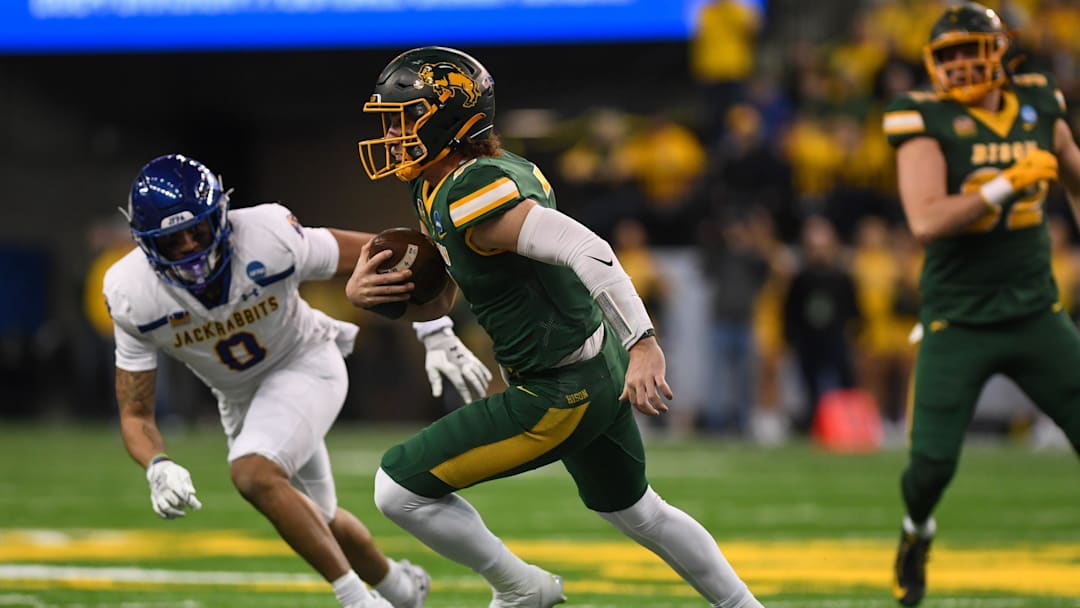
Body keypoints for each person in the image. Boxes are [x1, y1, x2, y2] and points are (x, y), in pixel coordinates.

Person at [346, 46, 763, 608]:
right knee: (639, 511)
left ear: (449, 119)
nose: (394, 134)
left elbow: (586, 248)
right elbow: (448, 284)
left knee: (397, 489)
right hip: (593, 364)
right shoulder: (444, 180)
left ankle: (522, 588)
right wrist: (395, 308)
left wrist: (644, 342)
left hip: (559, 388)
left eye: (406, 118)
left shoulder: (472, 192)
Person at [105, 154, 494, 608]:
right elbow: (135, 413)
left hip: (305, 362)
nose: (191, 247)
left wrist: (434, 327)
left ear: (221, 216)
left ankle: (358, 602)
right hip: (240, 398)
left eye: (200, 230)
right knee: (320, 520)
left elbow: (386, 253)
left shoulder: (267, 236)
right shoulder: (131, 293)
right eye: (174, 240)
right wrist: (156, 464)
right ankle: (403, 589)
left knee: (253, 473)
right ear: (147, 244)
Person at [882, 3, 1080, 605]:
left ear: (1000, 51)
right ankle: (916, 531)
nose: (962, 64)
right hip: (958, 320)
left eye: (972, 49)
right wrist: (1006, 182)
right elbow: (925, 220)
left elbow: (1074, 176)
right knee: (931, 466)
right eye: (950, 54)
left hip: (1035, 313)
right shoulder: (922, 116)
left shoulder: (1039, 102)